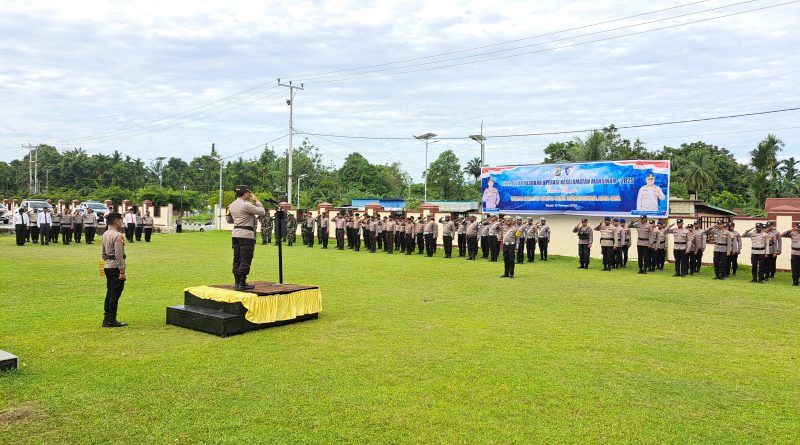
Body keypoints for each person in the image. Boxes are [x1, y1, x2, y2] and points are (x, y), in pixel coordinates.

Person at [227, 185, 265, 290]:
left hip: (235, 233)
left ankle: (237, 282)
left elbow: (229, 220)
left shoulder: (230, 205)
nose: (249, 195)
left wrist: (240, 218)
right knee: (246, 258)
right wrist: (257, 201)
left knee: (237, 258)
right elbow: (262, 212)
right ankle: (242, 283)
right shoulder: (246, 205)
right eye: (248, 193)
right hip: (246, 235)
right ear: (245, 194)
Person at [101, 212, 128, 328]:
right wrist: (122, 271)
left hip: (107, 266)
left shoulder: (105, 234)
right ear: (116, 221)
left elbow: (103, 254)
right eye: (121, 220)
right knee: (115, 294)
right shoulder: (117, 236)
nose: (122, 222)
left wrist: (108, 261)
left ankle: (107, 318)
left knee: (109, 293)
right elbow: (119, 255)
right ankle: (111, 320)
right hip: (115, 268)